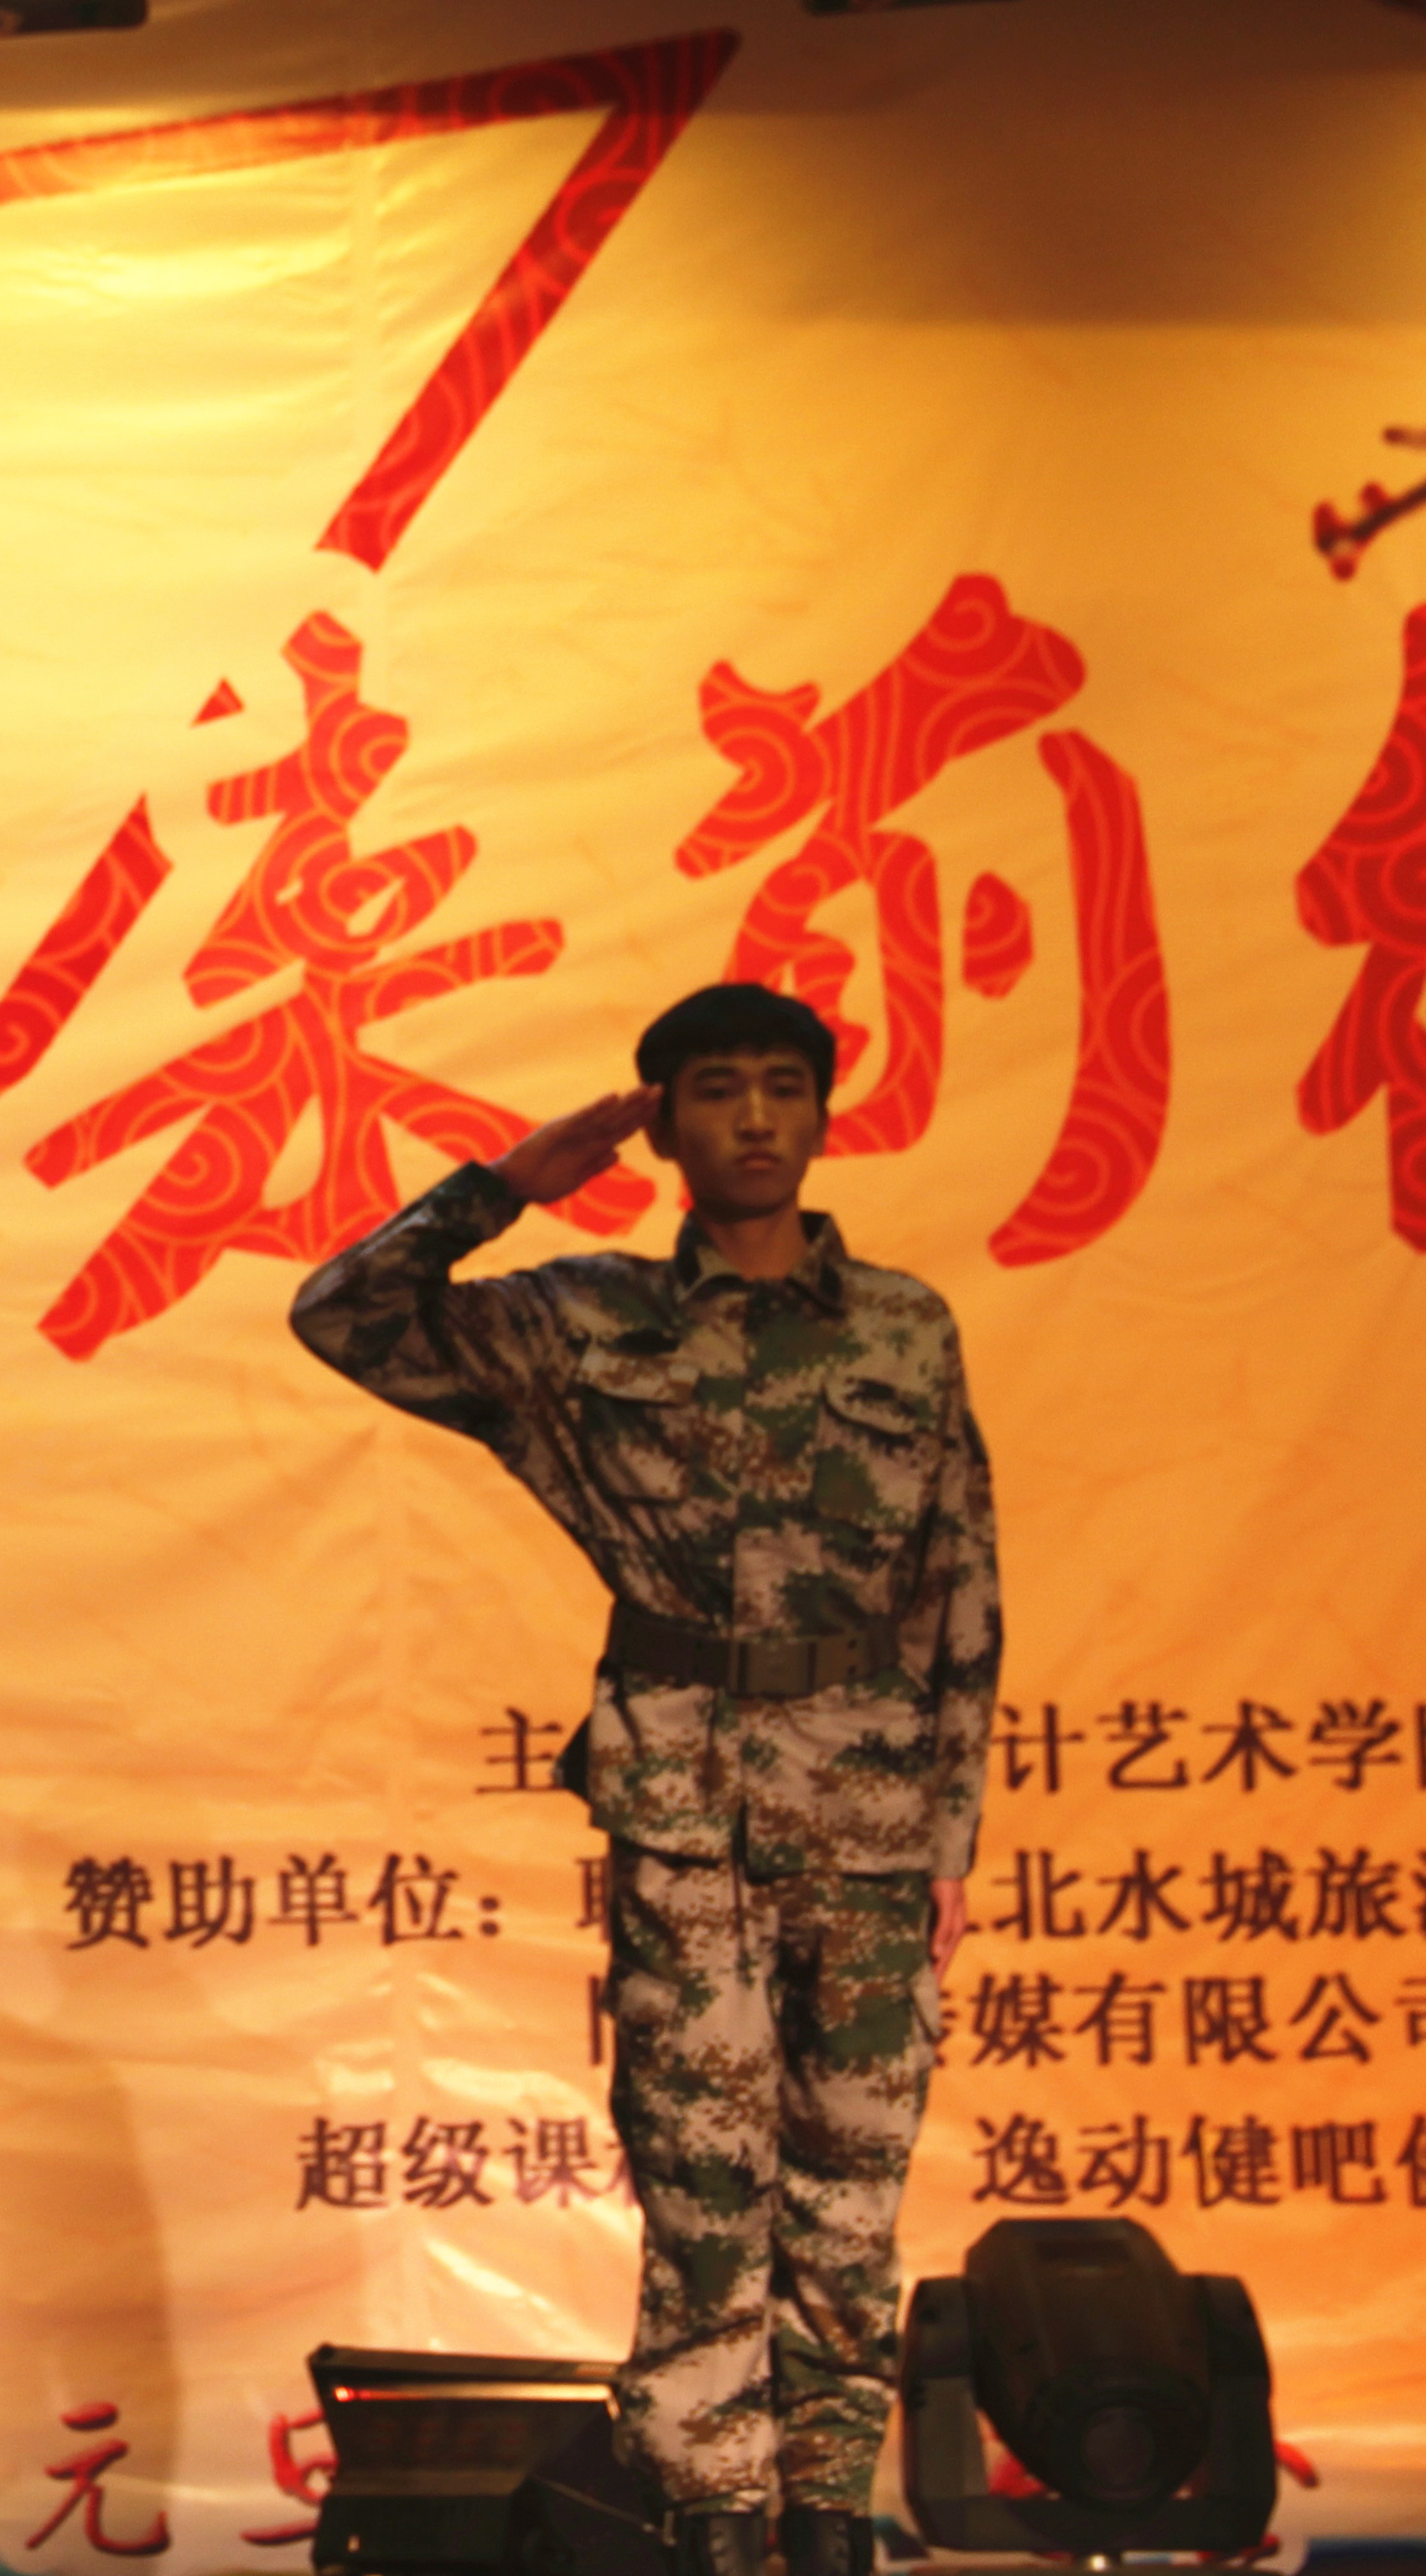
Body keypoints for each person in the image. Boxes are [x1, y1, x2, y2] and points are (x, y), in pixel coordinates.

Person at [288, 984, 996, 2576]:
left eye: (783, 1087)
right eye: (716, 1090)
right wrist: (504, 1187)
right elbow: (345, 1313)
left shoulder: (905, 1327)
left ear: (824, 1114)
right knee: (702, 2182)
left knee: (852, 2191)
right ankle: (715, 2517)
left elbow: (961, 1583)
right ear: (662, 1124)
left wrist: (953, 1829)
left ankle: (832, 2518)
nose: (754, 1119)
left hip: (876, 1810)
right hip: (688, 1806)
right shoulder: (585, 1319)